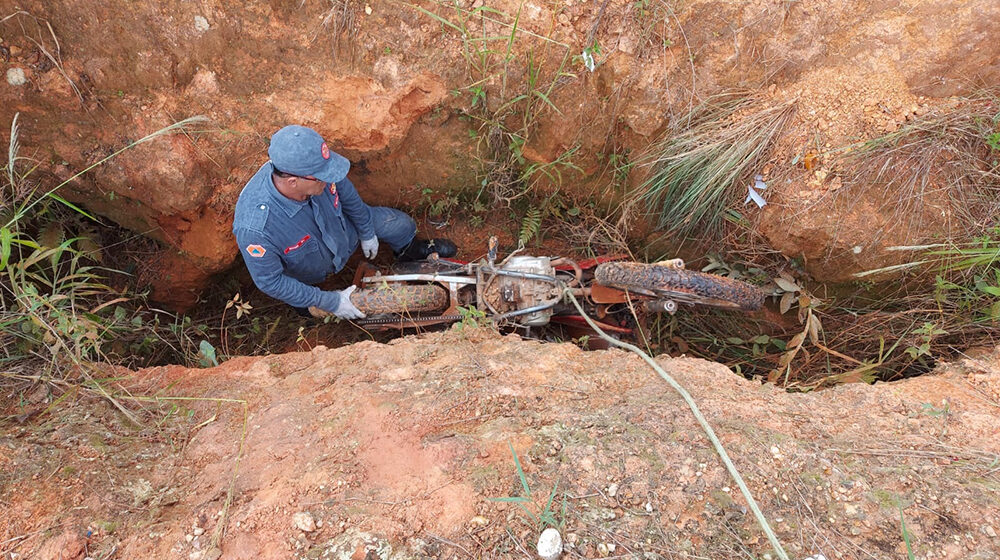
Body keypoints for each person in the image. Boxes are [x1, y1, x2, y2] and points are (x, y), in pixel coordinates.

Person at [232, 125, 456, 319]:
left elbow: (345, 192)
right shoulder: (256, 228)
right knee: (312, 308)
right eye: (323, 177)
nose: (329, 178)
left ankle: (409, 251)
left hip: (345, 235)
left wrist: (367, 231)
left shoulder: (313, 165)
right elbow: (270, 282)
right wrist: (331, 301)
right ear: (292, 182)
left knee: (400, 225)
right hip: (309, 275)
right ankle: (313, 309)